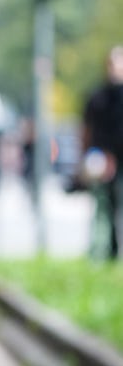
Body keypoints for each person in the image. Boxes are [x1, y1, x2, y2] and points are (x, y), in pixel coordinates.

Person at [81, 45, 123, 260]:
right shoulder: (98, 97)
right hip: (102, 159)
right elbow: (87, 131)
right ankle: (103, 251)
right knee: (103, 206)